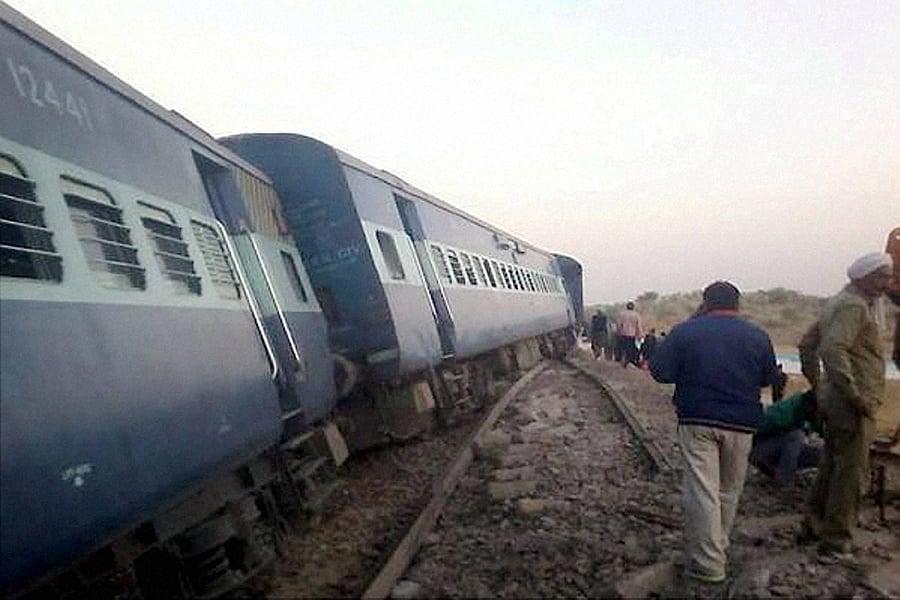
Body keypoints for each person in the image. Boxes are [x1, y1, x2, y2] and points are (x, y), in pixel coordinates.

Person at [650, 281, 777, 584]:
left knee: (702, 491)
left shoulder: (685, 331)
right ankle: (718, 547)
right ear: (737, 304)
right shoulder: (758, 335)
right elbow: (769, 378)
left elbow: (660, 372)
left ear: (705, 303)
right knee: (729, 490)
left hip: (699, 420)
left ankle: (708, 565)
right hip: (743, 424)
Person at [800, 252, 894, 554]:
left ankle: (813, 526)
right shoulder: (854, 307)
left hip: (836, 399)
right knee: (852, 473)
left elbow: (807, 345)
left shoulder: (838, 302)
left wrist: (818, 386)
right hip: (853, 402)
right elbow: (832, 348)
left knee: (831, 466)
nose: (887, 283)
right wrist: (855, 394)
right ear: (864, 277)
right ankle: (836, 538)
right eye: (882, 277)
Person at [750, 390, 822, 488]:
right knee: (796, 436)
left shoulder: (808, 413)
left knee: (821, 454)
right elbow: (756, 430)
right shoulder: (784, 412)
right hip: (760, 451)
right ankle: (783, 482)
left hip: (779, 450)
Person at [616, 301, 642, 368]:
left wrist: (618, 332)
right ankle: (627, 361)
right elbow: (638, 326)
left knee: (623, 348)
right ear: (633, 307)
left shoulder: (622, 314)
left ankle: (622, 360)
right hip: (632, 335)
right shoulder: (636, 315)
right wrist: (639, 335)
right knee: (630, 349)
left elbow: (618, 325)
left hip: (623, 334)